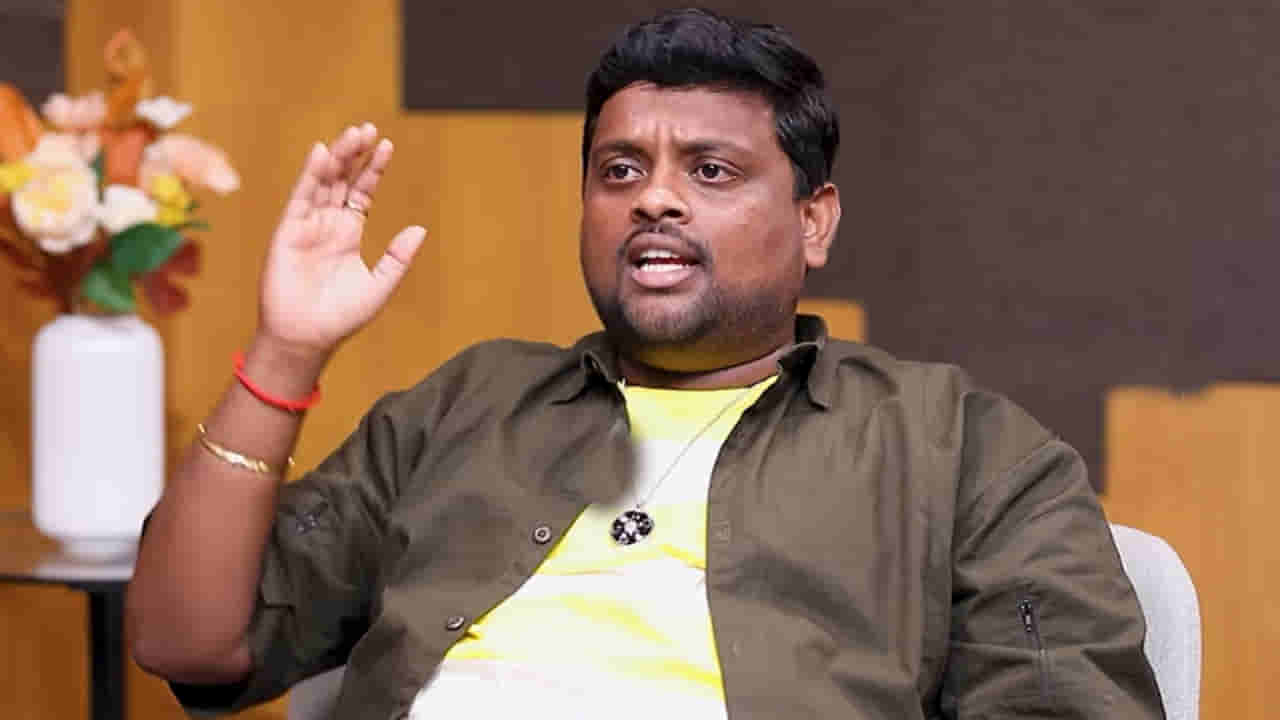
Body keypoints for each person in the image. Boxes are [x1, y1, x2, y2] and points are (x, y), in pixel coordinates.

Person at [127, 8, 1165, 719]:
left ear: (814, 221)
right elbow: (187, 643)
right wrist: (288, 350)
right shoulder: (465, 409)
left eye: (710, 171)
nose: (653, 199)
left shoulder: (957, 446)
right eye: (618, 170)